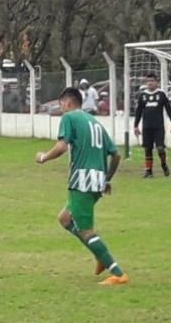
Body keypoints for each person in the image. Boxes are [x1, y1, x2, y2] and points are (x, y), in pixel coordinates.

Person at [35, 87, 128, 285]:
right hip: (96, 181)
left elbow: (61, 147)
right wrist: (107, 179)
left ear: (68, 103)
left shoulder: (69, 118)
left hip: (82, 181)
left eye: (61, 104)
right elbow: (116, 154)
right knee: (64, 218)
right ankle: (99, 256)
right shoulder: (94, 122)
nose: (61, 108)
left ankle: (118, 274)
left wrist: (43, 157)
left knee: (86, 230)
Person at [133, 73, 171, 178]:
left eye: (152, 81)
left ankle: (164, 165)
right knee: (147, 149)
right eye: (148, 81)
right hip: (146, 127)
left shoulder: (161, 94)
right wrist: (136, 125)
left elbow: (168, 109)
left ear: (156, 82)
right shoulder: (142, 95)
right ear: (146, 83)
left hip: (158, 127)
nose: (150, 83)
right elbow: (138, 111)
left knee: (160, 148)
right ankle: (149, 171)